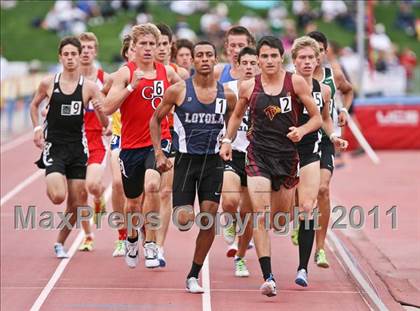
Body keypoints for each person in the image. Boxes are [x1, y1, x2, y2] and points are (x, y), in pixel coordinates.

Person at [220, 36, 322, 297]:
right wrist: (227, 140)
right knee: (261, 213)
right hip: (258, 156)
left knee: (279, 219)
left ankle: (286, 229)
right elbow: (236, 116)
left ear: (281, 57)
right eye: (263, 56)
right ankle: (268, 276)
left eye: (273, 56)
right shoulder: (248, 87)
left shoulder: (295, 82)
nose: (268, 61)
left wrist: (302, 129)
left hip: (287, 158)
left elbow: (317, 118)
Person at [150, 41, 236, 293]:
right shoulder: (177, 90)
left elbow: (234, 118)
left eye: (209, 55)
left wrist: (228, 140)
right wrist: (159, 153)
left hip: (213, 162)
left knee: (208, 220)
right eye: (200, 55)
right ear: (194, 61)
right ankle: (191, 214)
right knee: (184, 220)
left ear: (216, 58)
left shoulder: (227, 95)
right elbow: (155, 120)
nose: (205, 59)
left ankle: (193, 275)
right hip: (186, 161)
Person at [104, 23, 181, 269]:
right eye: (143, 44)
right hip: (130, 145)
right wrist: (130, 87)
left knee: (152, 185)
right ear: (133, 48)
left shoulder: (166, 72)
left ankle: (151, 244)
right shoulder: (125, 73)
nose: (148, 49)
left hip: (159, 141)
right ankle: (132, 237)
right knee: (133, 202)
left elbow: (185, 94)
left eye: (152, 44)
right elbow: (107, 108)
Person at [30, 36, 105, 258]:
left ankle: (60, 242)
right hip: (54, 147)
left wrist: (101, 110)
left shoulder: (89, 87)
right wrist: (36, 129)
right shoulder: (48, 83)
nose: (71, 58)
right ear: (60, 57)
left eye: (74, 54)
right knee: (58, 197)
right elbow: (34, 105)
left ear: (79, 57)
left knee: (76, 203)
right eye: (67, 54)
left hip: (77, 150)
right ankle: (53, 178)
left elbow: (106, 124)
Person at [291, 36, 348, 287]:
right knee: (279, 205)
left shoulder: (328, 81)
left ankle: (316, 250)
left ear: (319, 58)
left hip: (317, 142)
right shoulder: (286, 83)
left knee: (317, 195)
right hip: (283, 146)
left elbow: (327, 115)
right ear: (294, 60)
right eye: (301, 57)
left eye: (312, 56)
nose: (307, 61)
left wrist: (335, 132)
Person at [307, 31, 353, 268]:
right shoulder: (295, 77)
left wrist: (344, 110)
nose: (314, 56)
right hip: (302, 138)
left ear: (324, 52)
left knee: (323, 189)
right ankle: (300, 224)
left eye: (320, 51)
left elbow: (348, 89)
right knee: (300, 195)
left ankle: (321, 248)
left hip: (326, 135)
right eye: (310, 51)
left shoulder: (332, 75)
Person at [221, 47, 259, 277]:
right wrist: (224, 139)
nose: (248, 67)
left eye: (252, 63)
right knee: (228, 202)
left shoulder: (268, 91)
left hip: (257, 156)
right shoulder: (229, 90)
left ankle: (241, 256)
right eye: (244, 62)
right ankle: (229, 221)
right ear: (238, 65)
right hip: (233, 152)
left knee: (248, 213)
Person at [77, 32, 111, 251]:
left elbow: (113, 107)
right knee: (79, 192)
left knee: (92, 186)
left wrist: (109, 123)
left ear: (95, 51)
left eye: (90, 48)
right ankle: (88, 235)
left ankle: (99, 197)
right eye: (82, 48)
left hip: (97, 139)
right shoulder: (68, 80)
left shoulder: (104, 79)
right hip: (74, 142)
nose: (86, 52)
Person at [108, 34, 136, 257]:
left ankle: (140, 230)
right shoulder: (118, 76)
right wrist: (105, 120)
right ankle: (121, 234)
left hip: (144, 140)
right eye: (132, 49)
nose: (136, 52)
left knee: (141, 194)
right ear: (126, 52)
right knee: (118, 184)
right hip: (120, 137)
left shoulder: (153, 74)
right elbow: (99, 97)